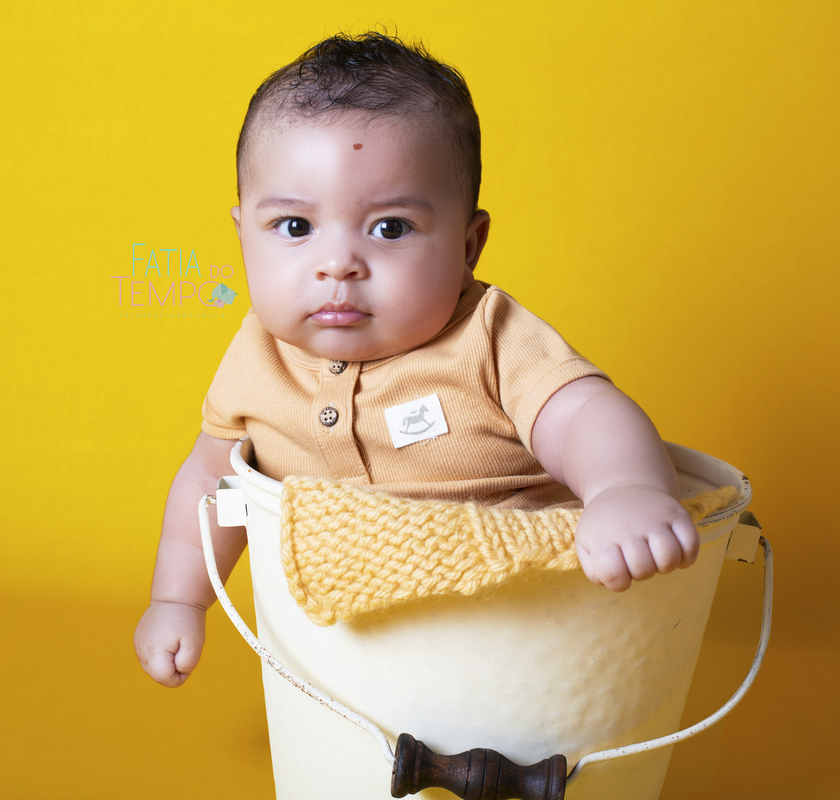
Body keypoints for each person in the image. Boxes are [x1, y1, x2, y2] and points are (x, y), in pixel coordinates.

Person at [134, 32, 699, 688]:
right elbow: (210, 482)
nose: (337, 264)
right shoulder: (255, 356)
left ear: (468, 246)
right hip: (343, 656)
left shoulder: (489, 336)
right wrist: (178, 599)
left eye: (391, 228)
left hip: (522, 633)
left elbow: (583, 416)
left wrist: (624, 490)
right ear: (243, 238)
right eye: (295, 227)